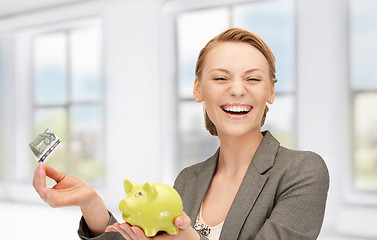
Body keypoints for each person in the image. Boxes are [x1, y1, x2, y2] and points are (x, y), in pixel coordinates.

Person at [33, 27, 329, 240]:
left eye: (252, 78)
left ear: (271, 91)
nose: (237, 89)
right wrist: (91, 204)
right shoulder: (188, 179)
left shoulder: (302, 170)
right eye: (220, 77)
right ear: (198, 89)